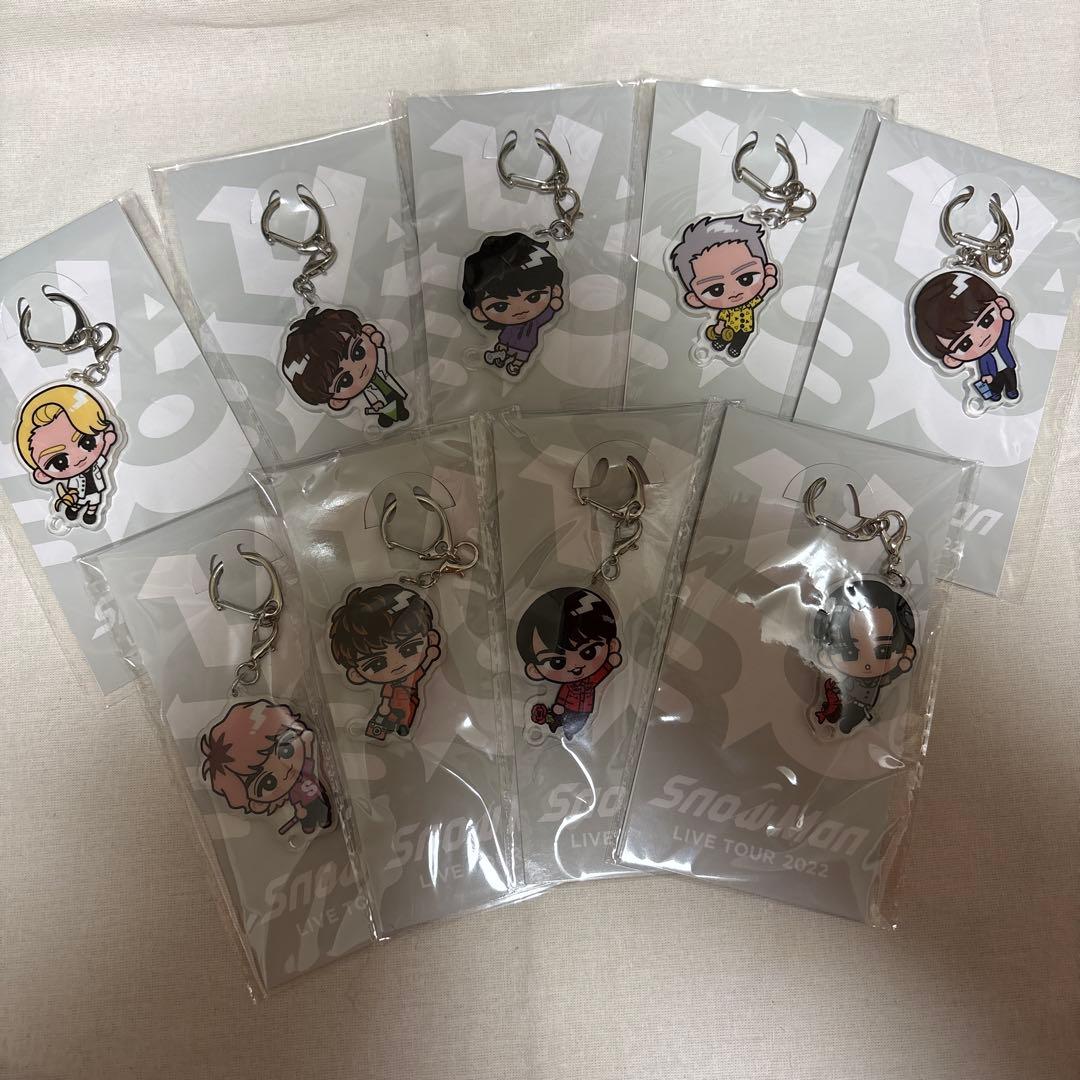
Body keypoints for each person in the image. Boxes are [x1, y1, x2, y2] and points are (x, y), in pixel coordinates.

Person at [199, 700, 333, 835]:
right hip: (308, 806)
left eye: (286, 750)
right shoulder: (294, 789)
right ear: (258, 804)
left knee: (321, 812)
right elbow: (296, 801)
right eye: (268, 782)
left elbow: (308, 745)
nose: (285, 772)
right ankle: (310, 826)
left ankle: (320, 821)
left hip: (318, 798)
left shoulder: (305, 771)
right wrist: (299, 810)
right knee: (308, 823)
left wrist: (306, 739)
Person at [328, 584, 441, 741]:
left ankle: (400, 730)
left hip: (410, 702)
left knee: (405, 720)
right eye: (377, 664)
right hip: (394, 705)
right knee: (386, 720)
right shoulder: (392, 685)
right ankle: (381, 732)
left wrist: (429, 656)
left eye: (408, 649)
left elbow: (424, 667)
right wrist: (384, 707)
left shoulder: (412, 678)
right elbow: (386, 698)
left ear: (431, 639)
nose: (397, 665)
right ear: (355, 674)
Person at [811, 578, 917, 736]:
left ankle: (846, 722)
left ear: (906, 650)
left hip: (863, 707)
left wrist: (900, 668)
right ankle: (840, 719)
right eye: (849, 652)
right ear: (825, 653)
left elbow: (891, 675)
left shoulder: (881, 679)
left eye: (882, 651)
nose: (867, 664)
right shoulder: (843, 680)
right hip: (847, 698)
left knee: (853, 715)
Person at [516, 587, 621, 740]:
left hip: (585, 709)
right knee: (562, 718)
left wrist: (609, 664)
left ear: (611, 645)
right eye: (557, 662)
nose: (574, 665)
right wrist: (559, 705)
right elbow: (564, 693)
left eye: (588, 652)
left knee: (578, 723)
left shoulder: (590, 681)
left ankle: (570, 732)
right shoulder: (570, 685)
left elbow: (601, 674)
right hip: (569, 707)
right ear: (535, 670)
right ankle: (560, 726)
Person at [669, 215, 778, 360]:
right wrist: (718, 328)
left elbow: (760, 295)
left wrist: (767, 284)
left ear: (767, 270)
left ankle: (736, 347)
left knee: (741, 338)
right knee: (724, 335)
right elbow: (721, 320)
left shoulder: (748, 304)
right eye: (716, 290)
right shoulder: (726, 311)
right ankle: (722, 342)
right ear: (694, 298)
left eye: (746, 279)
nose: (734, 292)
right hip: (728, 327)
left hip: (745, 328)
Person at [280, 306, 409, 425]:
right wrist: (375, 405)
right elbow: (372, 397)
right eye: (345, 380)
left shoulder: (378, 367)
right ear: (338, 401)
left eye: (358, 352)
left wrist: (377, 344)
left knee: (397, 402)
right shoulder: (366, 390)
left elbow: (380, 353)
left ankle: (399, 411)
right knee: (388, 410)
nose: (359, 369)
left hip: (395, 392)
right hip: (382, 404)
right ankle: (391, 415)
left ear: (367, 331)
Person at [14, 383, 119, 528]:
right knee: (78, 502)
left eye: (87, 442)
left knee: (94, 502)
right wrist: (69, 497)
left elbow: (104, 457)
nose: (78, 458)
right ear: (42, 475)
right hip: (79, 494)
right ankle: (74, 510)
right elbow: (72, 489)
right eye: (60, 462)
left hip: (96, 489)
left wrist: (107, 443)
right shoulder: (73, 477)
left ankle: (90, 514)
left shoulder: (96, 466)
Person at [461, 232, 564, 377]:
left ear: (555, 290)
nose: (520, 310)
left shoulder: (535, 322)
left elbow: (549, 313)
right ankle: (500, 355)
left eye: (533, 297)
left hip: (526, 344)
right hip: (506, 338)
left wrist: (553, 305)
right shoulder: (509, 324)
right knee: (503, 346)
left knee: (521, 355)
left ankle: (516, 365)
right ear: (478, 312)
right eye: (501, 306)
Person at [910, 271, 1018, 404]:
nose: (980, 336)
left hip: (1008, 365)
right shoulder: (983, 358)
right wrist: (986, 375)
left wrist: (1006, 320)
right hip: (994, 374)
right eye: (965, 344)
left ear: (1000, 304)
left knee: (1010, 379)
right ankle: (995, 393)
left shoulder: (1000, 343)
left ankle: (1012, 390)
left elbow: (1005, 334)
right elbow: (984, 367)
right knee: (996, 383)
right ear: (952, 360)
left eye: (986, 321)